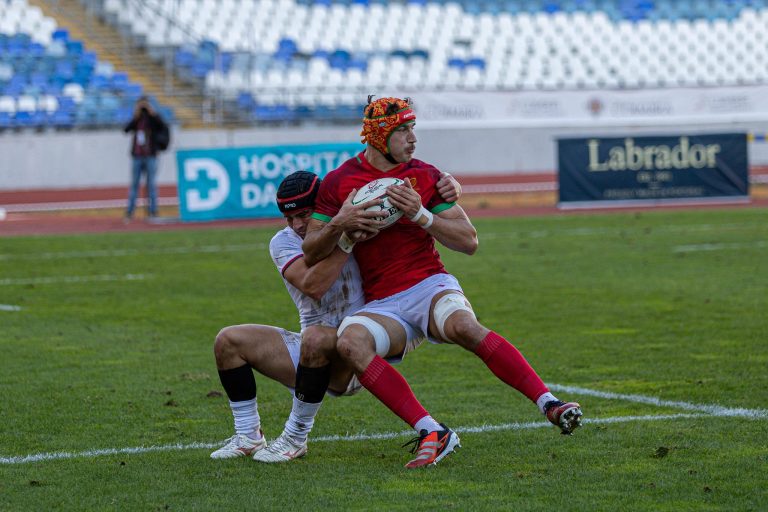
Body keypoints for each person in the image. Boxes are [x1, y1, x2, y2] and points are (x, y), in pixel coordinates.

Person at [301, 96, 583, 469]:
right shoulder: (339, 182)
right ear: (378, 136)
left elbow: (469, 241)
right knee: (350, 343)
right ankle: (432, 431)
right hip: (383, 302)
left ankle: (549, 403)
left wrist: (420, 214)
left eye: (412, 128)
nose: (412, 138)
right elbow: (311, 251)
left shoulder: (427, 175)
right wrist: (341, 222)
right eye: (402, 130)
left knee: (465, 326)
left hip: (429, 284)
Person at [210, 170, 461, 463]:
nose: (297, 225)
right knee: (228, 341)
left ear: (322, 205)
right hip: (314, 355)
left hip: (363, 343)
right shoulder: (283, 242)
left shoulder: (363, 218)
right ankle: (247, 436)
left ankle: (295, 438)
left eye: (304, 215)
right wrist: (345, 240)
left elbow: (393, 184)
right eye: (289, 218)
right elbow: (312, 285)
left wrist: (448, 183)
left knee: (316, 339)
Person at [123, 96, 167, 222]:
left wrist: (152, 113)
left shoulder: (153, 119)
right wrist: (136, 115)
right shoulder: (137, 120)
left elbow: (162, 126)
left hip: (150, 155)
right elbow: (126, 129)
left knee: (151, 185)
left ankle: (153, 211)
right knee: (134, 185)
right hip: (137, 156)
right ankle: (130, 212)